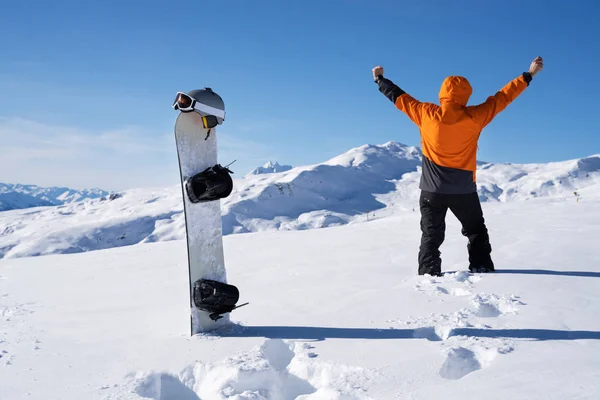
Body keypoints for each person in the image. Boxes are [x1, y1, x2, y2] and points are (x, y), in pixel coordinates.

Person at [372, 57, 544, 276]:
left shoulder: (426, 113)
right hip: (463, 190)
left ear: (442, 92)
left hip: (432, 191)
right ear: (466, 95)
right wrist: (528, 75)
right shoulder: (475, 116)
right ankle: (481, 268)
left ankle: (428, 273)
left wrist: (379, 79)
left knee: (431, 235)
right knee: (475, 231)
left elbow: (399, 97)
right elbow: (503, 97)